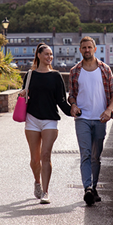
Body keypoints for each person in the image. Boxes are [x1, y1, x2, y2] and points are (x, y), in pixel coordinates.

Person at [68, 36, 113, 206]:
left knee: (96, 157)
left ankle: (94, 187)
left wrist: (108, 110)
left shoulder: (105, 69)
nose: (87, 50)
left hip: (100, 119)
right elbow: (72, 96)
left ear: (95, 49)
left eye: (90, 47)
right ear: (80, 50)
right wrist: (73, 105)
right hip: (82, 118)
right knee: (85, 154)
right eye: (84, 47)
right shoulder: (75, 71)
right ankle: (87, 188)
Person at [18, 43, 71, 204]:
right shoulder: (30, 75)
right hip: (32, 120)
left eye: (51, 54)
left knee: (46, 155)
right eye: (46, 54)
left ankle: (46, 192)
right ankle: (37, 182)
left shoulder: (56, 76)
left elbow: (61, 101)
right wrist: (22, 94)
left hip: (50, 120)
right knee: (35, 159)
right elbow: (25, 94)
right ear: (39, 55)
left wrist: (73, 111)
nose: (49, 57)